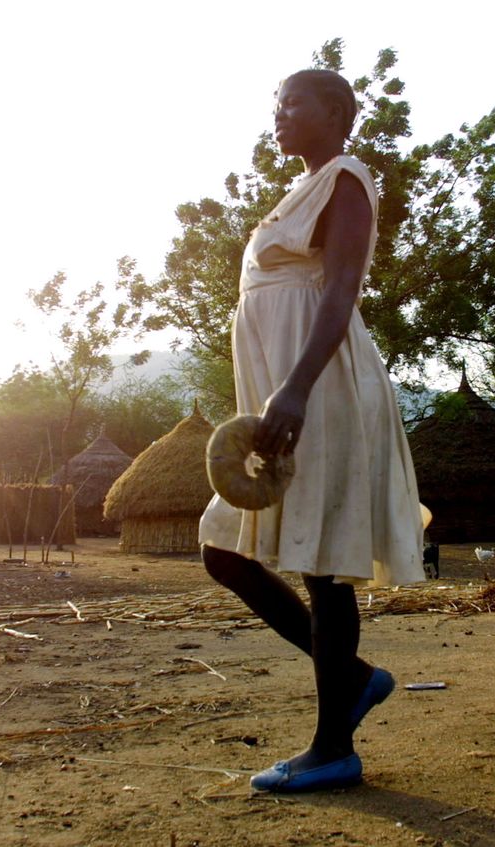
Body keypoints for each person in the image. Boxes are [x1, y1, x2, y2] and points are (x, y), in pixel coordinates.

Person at [197, 69, 424, 792]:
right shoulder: (295, 192)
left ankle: (333, 747)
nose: (279, 115)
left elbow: (343, 285)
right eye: (276, 104)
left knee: (324, 566)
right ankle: (353, 679)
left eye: (294, 103)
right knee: (224, 548)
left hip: (320, 388)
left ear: (337, 113)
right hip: (283, 391)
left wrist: (295, 388)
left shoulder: (348, 178)